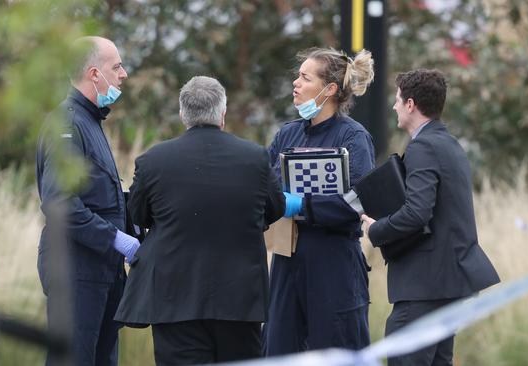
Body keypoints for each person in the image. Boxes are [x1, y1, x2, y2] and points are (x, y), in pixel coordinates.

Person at [113, 76, 287, 365]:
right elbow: (275, 208)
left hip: (174, 299)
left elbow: (137, 215)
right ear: (223, 113)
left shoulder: (154, 160)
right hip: (240, 301)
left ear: (183, 114)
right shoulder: (255, 158)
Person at [361, 69, 500, 365]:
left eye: (398, 100)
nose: (394, 106)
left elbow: (416, 212)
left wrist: (377, 229)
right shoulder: (450, 144)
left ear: (411, 104)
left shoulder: (423, 147)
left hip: (425, 285)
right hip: (446, 283)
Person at [263, 47, 376, 355]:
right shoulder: (287, 135)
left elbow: (358, 199)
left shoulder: (353, 137)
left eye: (304, 77)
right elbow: (264, 186)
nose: (295, 84)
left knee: (338, 351)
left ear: (330, 89)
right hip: (287, 260)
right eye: (296, 77)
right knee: (279, 351)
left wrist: (303, 205)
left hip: (334, 263)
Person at [36, 36, 138, 366]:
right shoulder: (67, 123)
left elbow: (97, 195)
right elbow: (60, 203)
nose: (123, 74)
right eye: (117, 66)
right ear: (95, 74)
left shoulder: (89, 120)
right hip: (75, 269)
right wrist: (116, 239)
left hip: (101, 269)